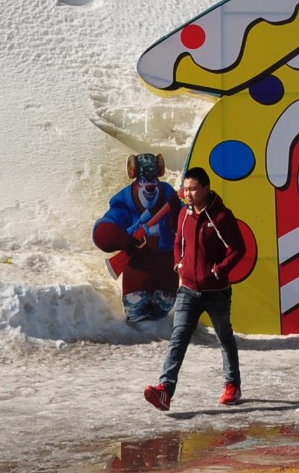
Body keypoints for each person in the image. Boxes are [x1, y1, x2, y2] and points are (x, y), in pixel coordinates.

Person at [144, 168, 247, 412]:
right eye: (185, 189)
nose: (187, 194)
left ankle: (233, 385)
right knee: (178, 338)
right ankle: (165, 390)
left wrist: (218, 271)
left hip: (217, 292)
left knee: (224, 337)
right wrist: (179, 264)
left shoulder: (221, 217)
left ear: (206, 189)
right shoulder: (183, 214)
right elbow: (179, 241)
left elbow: (238, 249)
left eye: (192, 189)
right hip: (188, 290)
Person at [91, 151, 179, 323]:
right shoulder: (125, 204)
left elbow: (186, 225)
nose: (150, 186)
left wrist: (177, 213)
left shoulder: (170, 199)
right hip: (136, 281)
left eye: (153, 180)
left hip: (167, 282)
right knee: (137, 316)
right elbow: (104, 228)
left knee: (161, 318)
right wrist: (122, 238)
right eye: (144, 181)